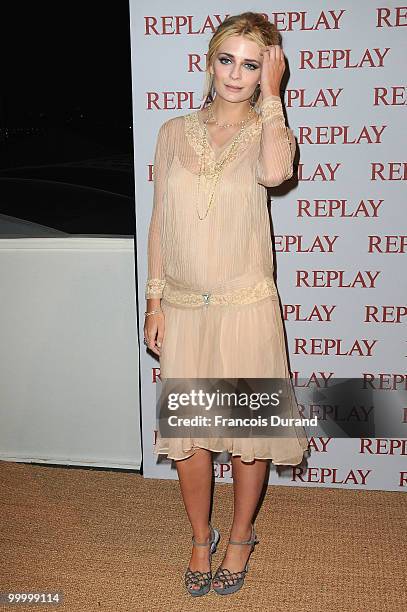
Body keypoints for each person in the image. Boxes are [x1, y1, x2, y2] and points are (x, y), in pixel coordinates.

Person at [143, 12, 309, 597]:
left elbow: (274, 172)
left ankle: (240, 538)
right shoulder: (171, 131)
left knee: (246, 432)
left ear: (267, 70)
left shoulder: (270, 130)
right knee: (190, 434)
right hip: (185, 306)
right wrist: (155, 301)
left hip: (245, 304)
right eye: (227, 60)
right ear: (209, 61)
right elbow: (161, 220)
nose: (235, 74)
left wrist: (273, 99)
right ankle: (198, 535)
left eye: (251, 63)